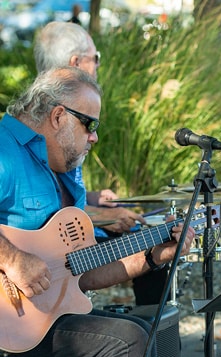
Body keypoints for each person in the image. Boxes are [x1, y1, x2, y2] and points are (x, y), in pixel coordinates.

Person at [0, 67, 195, 357]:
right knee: (126, 342)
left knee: (143, 333)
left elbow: (84, 272)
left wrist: (154, 256)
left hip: (41, 323)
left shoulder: (66, 172)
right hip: (10, 324)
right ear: (59, 116)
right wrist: (14, 258)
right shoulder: (5, 151)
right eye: (90, 124)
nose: (94, 137)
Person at [34, 21, 146, 239]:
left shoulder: (49, 106)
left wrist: (93, 198)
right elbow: (48, 212)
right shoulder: (57, 117)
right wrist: (103, 215)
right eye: (96, 58)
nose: (97, 66)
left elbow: (59, 193)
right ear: (75, 63)